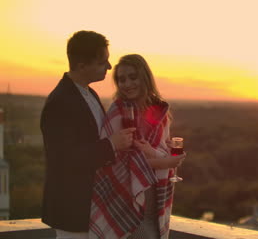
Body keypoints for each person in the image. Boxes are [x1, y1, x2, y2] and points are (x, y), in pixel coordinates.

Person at [40, 30, 136, 239]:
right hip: (72, 209)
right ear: (82, 66)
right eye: (103, 62)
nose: (110, 67)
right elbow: (63, 159)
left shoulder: (89, 93)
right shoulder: (60, 102)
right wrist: (111, 145)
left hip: (94, 206)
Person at [89, 54, 186, 239]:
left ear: (144, 77)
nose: (127, 84)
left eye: (133, 77)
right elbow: (118, 160)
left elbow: (161, 147)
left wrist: (165, 154)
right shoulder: (119, 111)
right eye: (121, 79)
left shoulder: (159, 110)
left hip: (153, 199)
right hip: (125, 201)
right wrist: (165, 162)